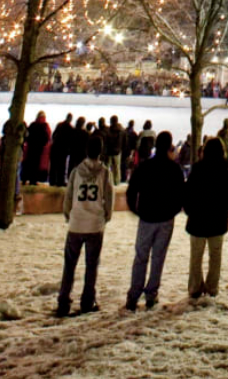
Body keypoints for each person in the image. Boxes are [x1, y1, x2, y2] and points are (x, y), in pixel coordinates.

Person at [125, 131, 184, 311]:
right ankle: (151, 293)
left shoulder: (145, 166)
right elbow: (181, 194)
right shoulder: (174, 169)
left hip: (147, 217)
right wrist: (173, 211)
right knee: (158, 258)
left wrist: (136, 210)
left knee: (141, 257)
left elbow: (131, 190)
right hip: (165, 218)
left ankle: (134, 295)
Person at [58, 134, 114, 318]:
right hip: (95, 225)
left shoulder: (76, 171)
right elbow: (109, 198)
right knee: (91, 265)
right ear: (101, 151)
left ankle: (63, 301)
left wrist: (69, 215)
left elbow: (68, 196)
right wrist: (106, 216)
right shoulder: (104, 172)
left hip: (76, 223)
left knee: (69, 265)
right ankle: (87, 301)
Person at [183, 137, 228, 300]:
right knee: (215, 256)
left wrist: (190, 211)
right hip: (218, 221)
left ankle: (195, 287)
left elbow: (188, 193)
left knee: (196, 257)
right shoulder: (226, 170)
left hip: (197, 220)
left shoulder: (197, 169)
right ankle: (212, 287)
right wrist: (224, 211)